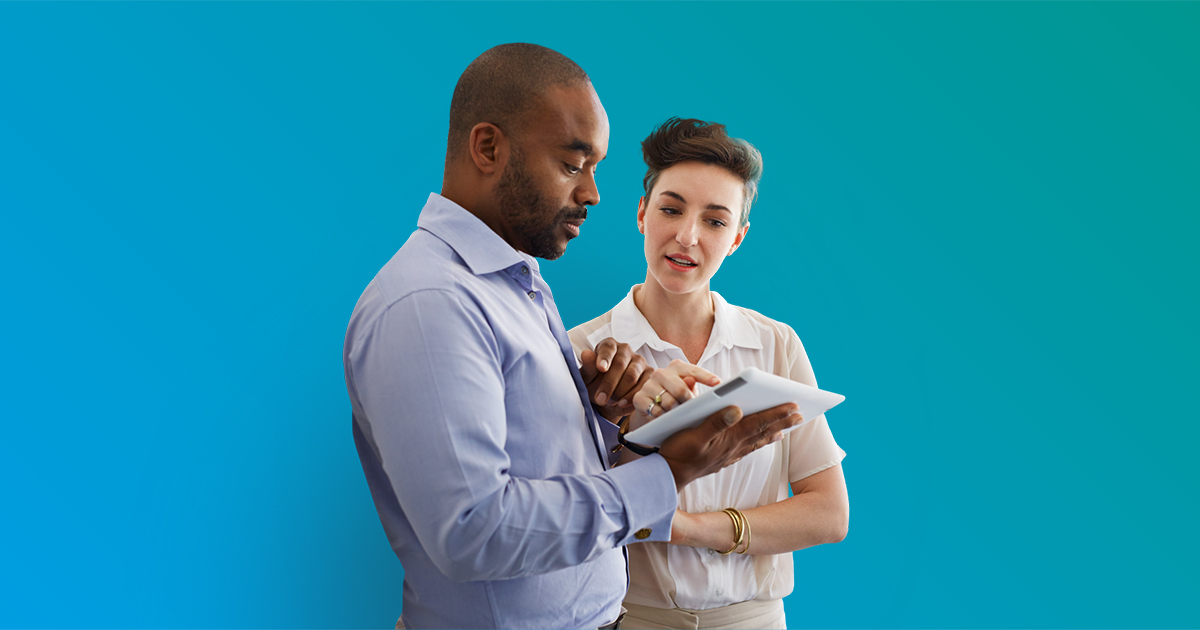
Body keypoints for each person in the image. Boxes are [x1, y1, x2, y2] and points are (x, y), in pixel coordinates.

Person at [343, 45, 807, 629]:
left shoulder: (517, 285)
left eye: (596, 168)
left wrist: (603, 424)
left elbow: (533, 472)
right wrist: (667, 475)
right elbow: (472, 531)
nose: (591, 193)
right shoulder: (430, 303)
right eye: (572, 164)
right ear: (488, 148)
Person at [568, 118, 850, 629]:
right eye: (671, 209)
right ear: (641, 213)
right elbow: (557, 515)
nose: (687, 236)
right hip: (627, 620)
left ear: (738, 237)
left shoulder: (774, 344)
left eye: (716, 221)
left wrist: (689, 528)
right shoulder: (581, 352)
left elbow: (829, 513)